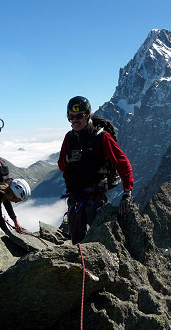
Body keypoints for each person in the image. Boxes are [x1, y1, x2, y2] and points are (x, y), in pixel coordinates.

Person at [58, 96, 134, 244]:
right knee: (77, 241)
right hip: (75, 197)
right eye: (70, 116)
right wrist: (68, 159)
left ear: (88, 116)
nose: (74, 120)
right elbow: (61, 165)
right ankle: (81, 264)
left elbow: (122, 163)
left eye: (79, 116)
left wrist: (127, 192)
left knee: (100, 240)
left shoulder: (102, 137)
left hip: (95, 197)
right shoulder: (69, 137)